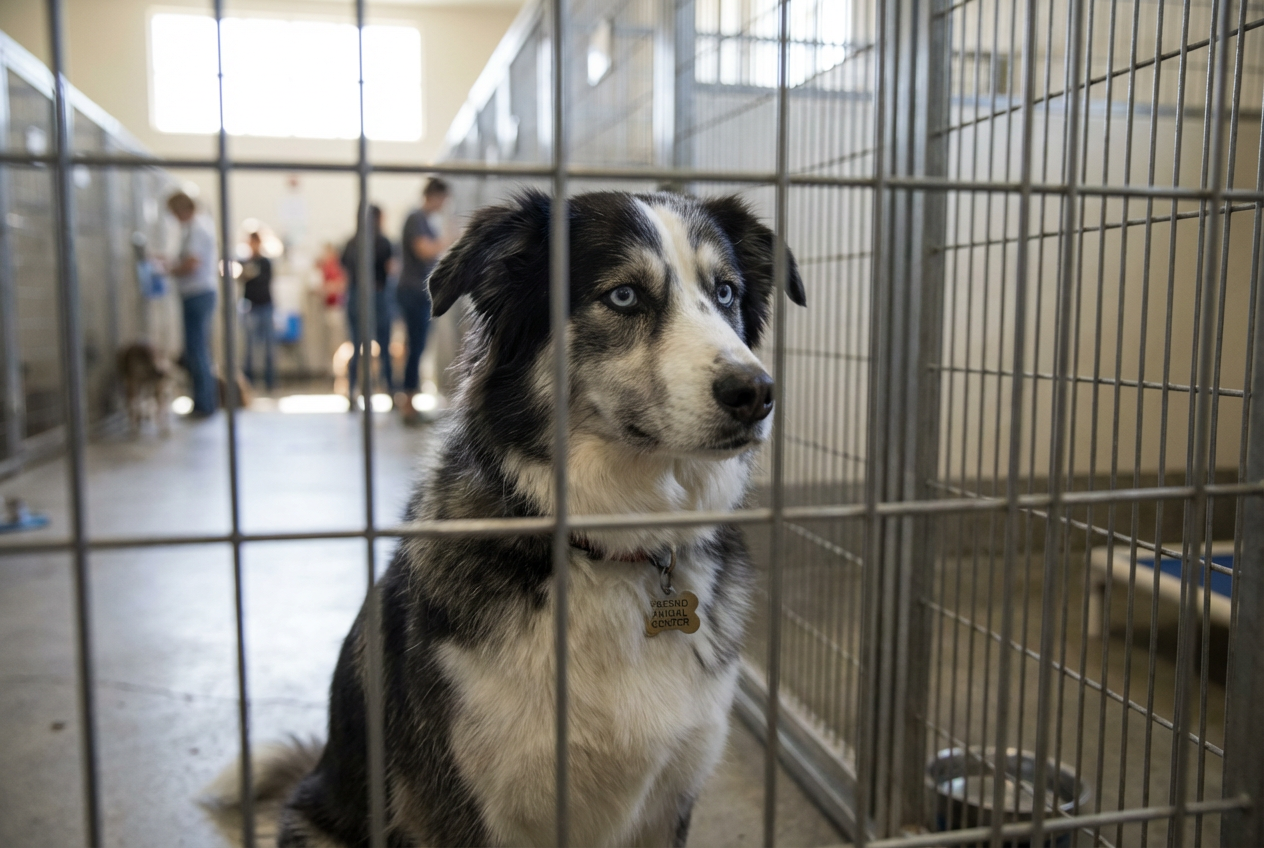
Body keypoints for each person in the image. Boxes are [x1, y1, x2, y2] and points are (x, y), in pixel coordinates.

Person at [396, 178, 453, 419]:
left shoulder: (421, 219)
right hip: (413, 292)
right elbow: (424, 250)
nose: (445, 205)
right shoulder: (416, 218)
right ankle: (408, 402)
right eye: (444, 199)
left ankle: (410, 400)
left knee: (417, 346)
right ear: (436, 196)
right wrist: (449, 240)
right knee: (415, 347)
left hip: (416, 292)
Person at [166, 191, 219, 418]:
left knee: (196, 350)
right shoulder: (195, 227)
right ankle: (202, 401)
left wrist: (166, 269)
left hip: (198, 293)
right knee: (197, 349)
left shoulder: (197, 228)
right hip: (197, 293)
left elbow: (192, 264)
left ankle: (204, 404)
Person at [341, 205, 396, 403]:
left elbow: (345, 270)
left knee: (356, 347)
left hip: (355, 295)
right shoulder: (383, 242)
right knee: (384, 346)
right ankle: (389, 390)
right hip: (378, 295)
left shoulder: (351, 243)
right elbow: (391, 270)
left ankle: (352, 392)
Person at [239, 231, 275, 391]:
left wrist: (252, 276)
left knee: (269, 346)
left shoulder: (266, 262)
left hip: (265, 306)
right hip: (250, 306)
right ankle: (249, 382)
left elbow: (265, 279)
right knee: (250, 347)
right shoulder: (244, 262)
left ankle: (270, 382)